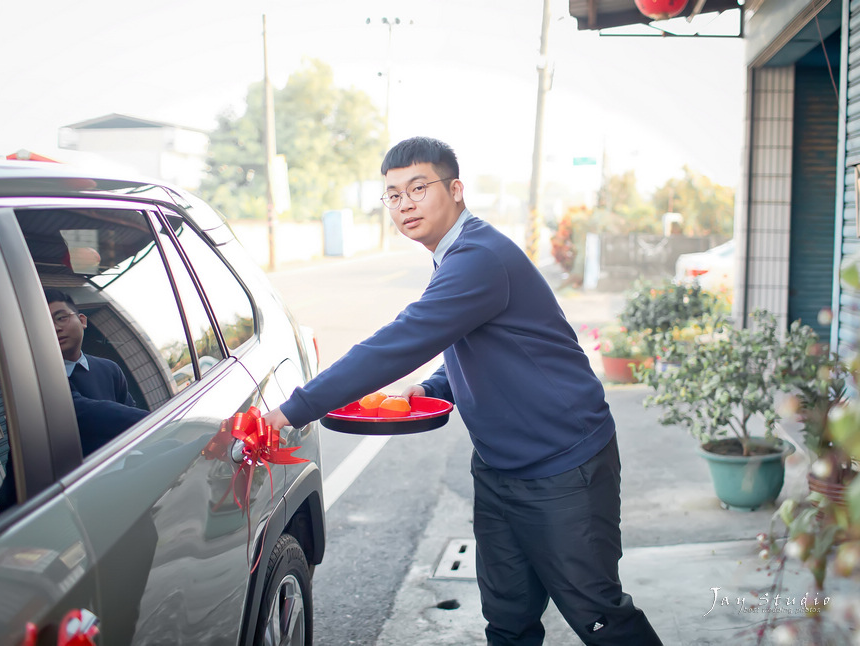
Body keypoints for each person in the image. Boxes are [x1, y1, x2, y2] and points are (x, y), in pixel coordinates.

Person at [262, 136, 661, 645]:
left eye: (418, 187)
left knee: (599, 615)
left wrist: (294, 409)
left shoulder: (479, 257)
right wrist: (431, 387)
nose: (405, 203)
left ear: (455, 189)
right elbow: (484, 342)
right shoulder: (454, 255)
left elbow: (398, 342)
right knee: (507, 618)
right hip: (499, 469)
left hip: (564, 465)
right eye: (393, 194)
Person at [0, 290, 145, 511]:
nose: (55, 328)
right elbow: (83, 413)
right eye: (44, 323)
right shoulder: (33, 379)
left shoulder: (109, 369)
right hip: (48, 507)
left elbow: (130, 415)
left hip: (120, 490)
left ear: (82, 320)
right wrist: (169, 419)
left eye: (61, 317)